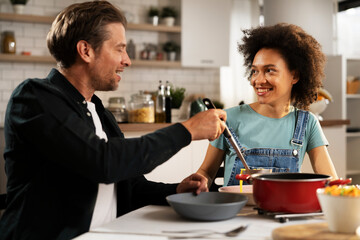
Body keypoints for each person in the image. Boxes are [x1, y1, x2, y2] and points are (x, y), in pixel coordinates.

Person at [0, 1, 226, 239]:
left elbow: (129, 187)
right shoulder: (35, 97)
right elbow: (103, 163)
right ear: (86, 50)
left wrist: (176, 191)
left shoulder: (99, 111)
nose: (127, 60)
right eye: (119, 49)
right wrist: (187, 130)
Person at [196, 23, 338, 189]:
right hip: (235, 213)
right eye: (255, 71)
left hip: (284, 213)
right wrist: (198, 181)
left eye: (269, 70)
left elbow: (332, 184)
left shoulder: (307, 123)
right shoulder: (227, 119)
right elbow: (205, 172)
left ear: (294, 75)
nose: (257, 80)